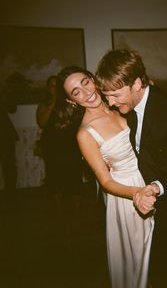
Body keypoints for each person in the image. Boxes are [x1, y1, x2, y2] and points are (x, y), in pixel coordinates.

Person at [95, 49, 167, 288]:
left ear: (137, 84)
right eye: (106, 95)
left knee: (166, 265)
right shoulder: (125, 107)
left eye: (115, 95)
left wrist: (155, 187)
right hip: (138, 198)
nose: (110, 102)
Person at [57, 66, 157, 288]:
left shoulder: (119, 105)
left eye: (85, 82)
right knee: (139, 257)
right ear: (72, 102)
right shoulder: (85, 133)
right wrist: (137, 193)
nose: (86, 92)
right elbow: (105, 181)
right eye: (76, 92)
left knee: (155, 256)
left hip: (151, 179)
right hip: (126, 194)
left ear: (93, 79)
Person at [36, 75, 84, 247]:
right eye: (51, 86)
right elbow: (41, 122)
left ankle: (77, 218)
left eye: (57, 86)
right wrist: (53, 102)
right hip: (53, 150)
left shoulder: (71, 103)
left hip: (71, 148)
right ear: (48, 88)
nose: (54, 88)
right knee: (55, 183)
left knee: (75, 182)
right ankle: (59, 217)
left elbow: (80, 123)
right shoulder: (45, 104)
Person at [0, 91, 18, 205]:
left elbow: (12, 108)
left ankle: (11, 195)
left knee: (9, 167)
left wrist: (4, 94)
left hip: (5, 135)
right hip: (6, 134)